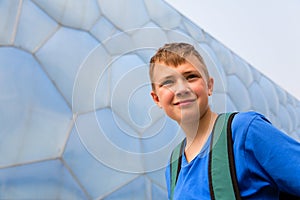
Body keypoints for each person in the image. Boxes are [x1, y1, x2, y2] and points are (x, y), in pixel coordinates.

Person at [149, 42, 300, 199]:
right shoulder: (174, 167)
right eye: (168, 82)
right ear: (157, 99)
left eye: (191, 77)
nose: (181, 89)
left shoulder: (244, 131)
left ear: (209, 86)